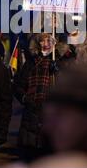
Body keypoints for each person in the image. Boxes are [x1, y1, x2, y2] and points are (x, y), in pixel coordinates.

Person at [14, 32, 74, 161]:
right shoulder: (31, 62)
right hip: (32, 113)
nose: (46, 44)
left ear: (55, 42)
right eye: (42, 41)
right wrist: (26, 99)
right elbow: (18, 86)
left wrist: (58, 69)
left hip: (54, 114)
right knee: (31, 155)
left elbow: (70, 87)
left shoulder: (63, 61)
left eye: (49, 40)